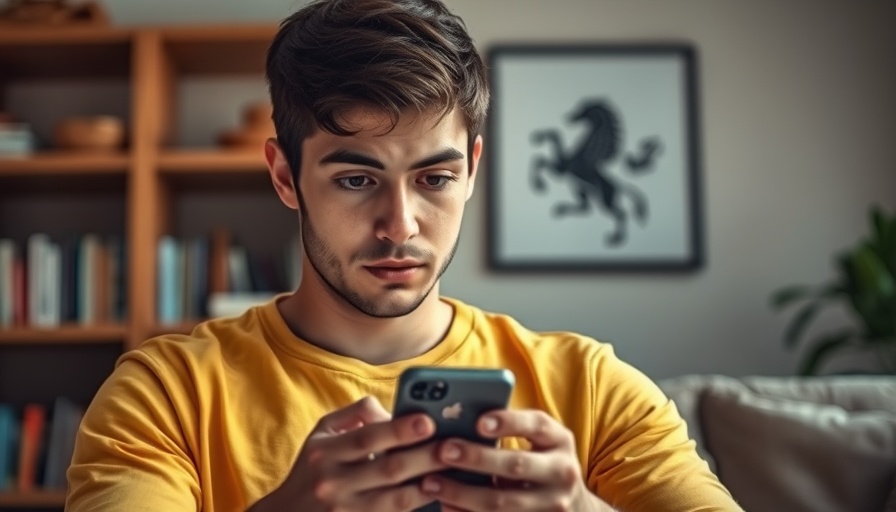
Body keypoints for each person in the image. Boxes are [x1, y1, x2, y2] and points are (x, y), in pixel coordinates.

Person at [66, 0, 742, 510]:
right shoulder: (164, 396)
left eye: (435, 179)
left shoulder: (593, 388)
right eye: (357, 180)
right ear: (283, 176)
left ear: (473, 170)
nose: (400, 225)